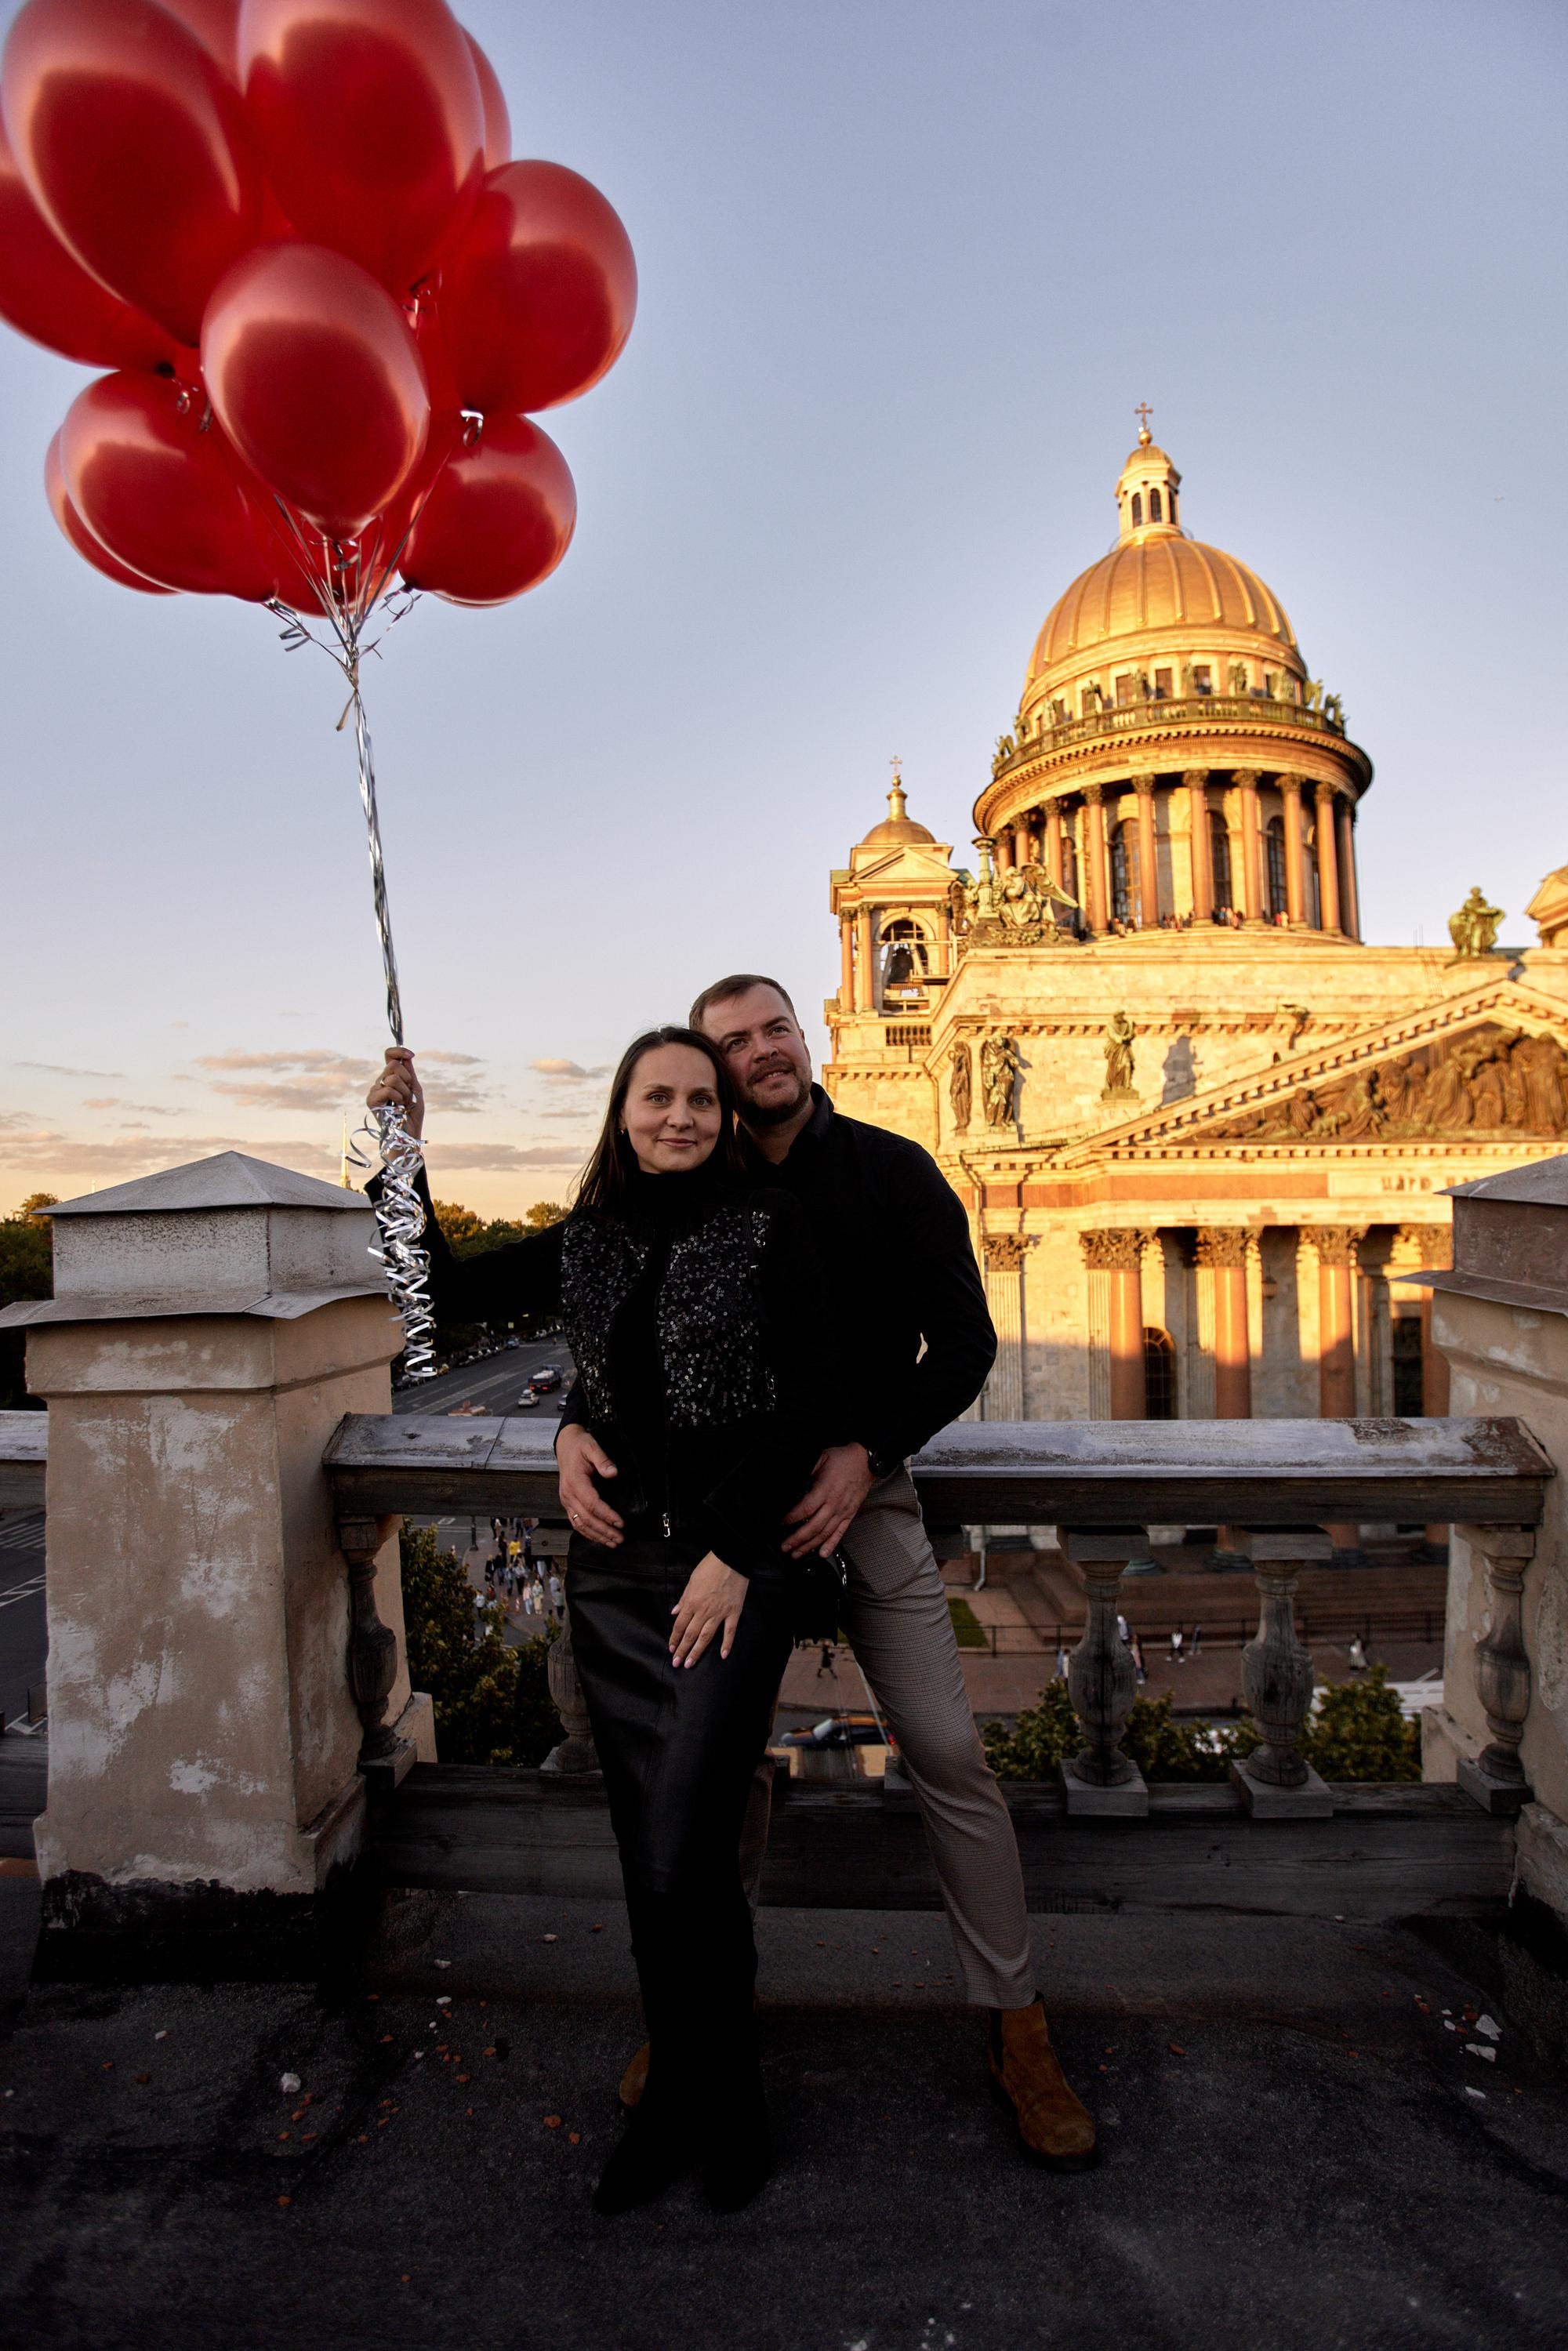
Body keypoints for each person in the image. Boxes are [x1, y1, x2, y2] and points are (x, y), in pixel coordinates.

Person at [557, 974, 1094, 2170]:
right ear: (703, 1073)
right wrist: (565, 1431)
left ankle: (1018, 2023)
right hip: (722, 1532)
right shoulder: (690, 1181)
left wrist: (865, 1453)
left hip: (861, 1496)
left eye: (774, 1030)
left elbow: (964, 1343)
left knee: (950, 1754)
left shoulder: (895, 1169)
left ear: (806, 1037)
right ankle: (704, 2019)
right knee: (715, 1768)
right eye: (730, 1045)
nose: (760, 1056)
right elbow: (608, 1336)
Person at [368, 1025, 844, 2216]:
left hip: (732, 1575)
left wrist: (737, 1553)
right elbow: (439, 1288)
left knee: (689, 1851)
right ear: (623, 1114)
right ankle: (686, 2096)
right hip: (617, 1574)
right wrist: (400, 1149)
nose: (679, 1116)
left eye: (698, 1098)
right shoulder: (589, 1238)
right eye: (656, 1097)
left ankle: (723, 2100)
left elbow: (817, 1396)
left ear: (724, 1116)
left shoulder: (776, 1221)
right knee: (647, 1859)